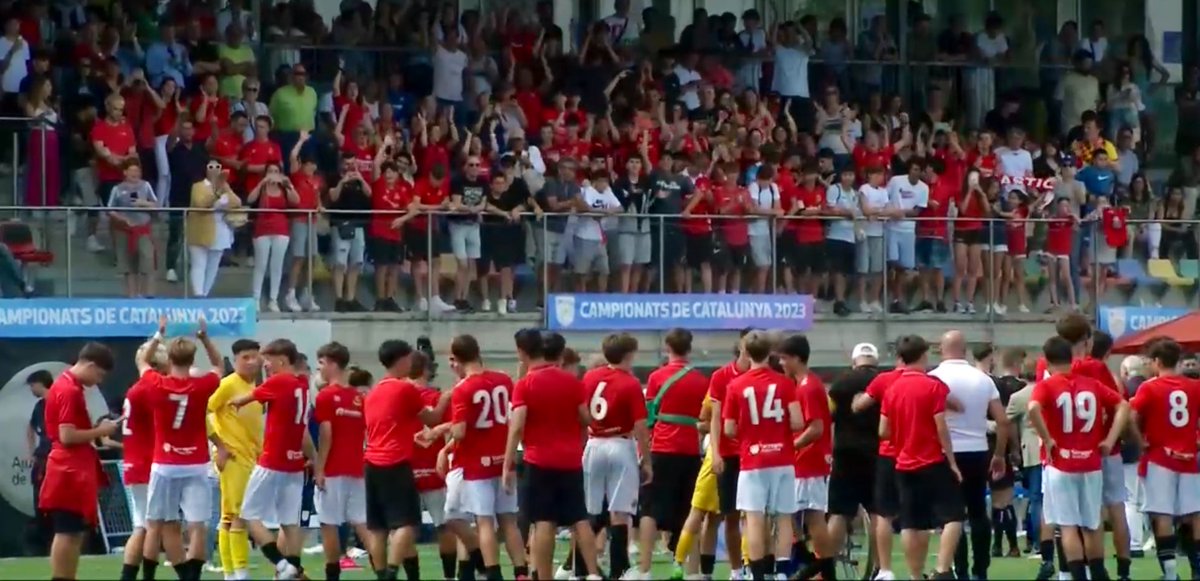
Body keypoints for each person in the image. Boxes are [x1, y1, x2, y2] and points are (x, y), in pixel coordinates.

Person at [425, 334, 528, 580]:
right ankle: (521, 572)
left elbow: (460, 431)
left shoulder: (464, 388)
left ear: (458, 359)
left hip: (477, 463)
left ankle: (492, 572)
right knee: (508, 521)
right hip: (503, 459)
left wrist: (439, 430)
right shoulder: (503, 379)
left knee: (483, 522)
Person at [1029, 336, 1130, 581]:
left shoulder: (1047, 384)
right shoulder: (1091, 384)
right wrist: (1109, 440)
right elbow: (1123, 406)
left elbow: (1033, 408)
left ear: (1048, 361)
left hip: (1061, 463)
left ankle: (1077, 575)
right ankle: (1098, 573)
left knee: (1067, 525)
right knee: (1092, 522)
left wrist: (1048, 438)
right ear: (1072, 358)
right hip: (1091, 462)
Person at [502, 329, 600, 580]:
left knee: (544, 522)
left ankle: (543, 576)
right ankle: (592, 573)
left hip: (539, 460)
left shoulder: (525, 384)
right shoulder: (573, 383)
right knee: (580, 518)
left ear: (523, 353)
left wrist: (508, 463)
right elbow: (585, 418)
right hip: (570, 459)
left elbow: (517, 425)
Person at [141, 317, 223, 581]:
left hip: (165, 462)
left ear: (169, 361)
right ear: (192, 360)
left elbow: (141, 361)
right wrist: (204, 337)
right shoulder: (202, 385)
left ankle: (149, 575)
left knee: (155, 524)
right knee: (197, 525)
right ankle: (192, 577)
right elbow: (219, 365)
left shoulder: (156, 383)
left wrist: (157, 335)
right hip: (196, 461)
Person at [879, 335, 964, 579]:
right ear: (923, 356)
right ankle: (942, 569)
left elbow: (883, 431)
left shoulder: (892, 389)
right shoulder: (932, 385)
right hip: (931, 460)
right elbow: (940, 426)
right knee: (954, 515)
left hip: (904, 462)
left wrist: (901, 436)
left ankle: (915, 575)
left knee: (911, 522)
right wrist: (951, 460)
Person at [722, 330, 804, 580]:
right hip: (782, 458)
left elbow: (728, 429)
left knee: (754, 518)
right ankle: (781, 573)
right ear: (771, 353)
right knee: (783, 516)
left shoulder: (736, 385)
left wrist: (749, 433)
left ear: (745, 352)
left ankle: (758, 574)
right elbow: (798, 422)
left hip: (752, 459)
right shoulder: (784, 383)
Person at [362, 340, 447, 580]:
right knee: (407, 524)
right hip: (395, 462)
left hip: (371, 462)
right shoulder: (405, 389)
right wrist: (446, 398)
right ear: (401, 360)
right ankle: (391, 573)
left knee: (378, 528)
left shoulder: (374, 392)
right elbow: (432, 418)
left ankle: (380, 575)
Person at [929, 330, 1010, 580]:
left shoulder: (933, 378)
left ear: (942, 350)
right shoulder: (983, 379)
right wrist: (999, 454)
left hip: (946, 452)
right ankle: (981, 569)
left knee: (953, 516)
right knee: (977, 512)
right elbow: (1002, 421)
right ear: (964, 350)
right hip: (978, 449)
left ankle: (960, 569)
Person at [229, 339, 312, 580]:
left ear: (282, 360)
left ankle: (281, 564)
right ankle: (294, 568)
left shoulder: (279, 381)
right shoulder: (302, 384)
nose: (264, 365)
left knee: (247, 514)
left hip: (273, 460)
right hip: (295, 462)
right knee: (289, 521)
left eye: (268, 360)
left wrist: (232, 402)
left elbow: (245, 399)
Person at [630, 328, 709, 579]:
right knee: (690, 510)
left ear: (668, 348)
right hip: (689, 449)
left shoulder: (656, 377)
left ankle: (644, 569)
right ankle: (693, 570)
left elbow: (649, 414)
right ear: (690, 348)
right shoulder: (701, 380)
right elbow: (703, 417)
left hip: (662, 448)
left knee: (650, 508)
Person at [39, 342, 118, 581]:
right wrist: (100, 430)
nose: (99, 381)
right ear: (91, 365)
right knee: (67, 532)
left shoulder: (66, 385)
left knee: (72, 533)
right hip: (68, 469)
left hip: (70, 467)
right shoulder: (69, 390)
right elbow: (67, 435)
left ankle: (66, 576)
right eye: (100, 374)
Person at [580, 333, 650, 579]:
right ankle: (619, 569)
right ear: (629, 355)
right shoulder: (630, 382)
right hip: (620, 444)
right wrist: (647, 460)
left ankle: (579, 567)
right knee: (620, 510)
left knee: (590, 510)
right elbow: (641, 425)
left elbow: (581, 411)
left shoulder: (589, 376)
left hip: (594, 443)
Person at [1131, 338, 1200, 581]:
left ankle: (1170, 574)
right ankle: (1197, 568)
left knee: (1162, 515)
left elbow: (1131, 415)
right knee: (1194, 514)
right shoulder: (1195, 387)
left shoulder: (1149, 388)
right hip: (1189, 459)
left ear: (1157, 362)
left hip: (1160, 458)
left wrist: (1140, 441)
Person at [778, 334, 836, 581]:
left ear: (796, 358)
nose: (781, 363)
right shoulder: (801, 385)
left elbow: (816, 428)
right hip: (804, 460)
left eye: (784, 358)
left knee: (813, 516)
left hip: (810, 460)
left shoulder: (808, 387)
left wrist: (792, 446)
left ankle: (823, 568)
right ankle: (811, 562)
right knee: (793, 512)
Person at [312, 342, 370, 581]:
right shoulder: (360, 398)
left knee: (329, 523)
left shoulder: (325, 396)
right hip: (357, 468)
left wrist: (320, 468)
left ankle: (332, 575)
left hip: (334, 469)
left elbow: (326, 434)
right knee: (362, 524)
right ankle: (385, 570)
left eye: (322, 363)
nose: (320, 368)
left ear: (333, 364)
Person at [207, 339, 264, 581]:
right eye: (245, 358)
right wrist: (218, 446)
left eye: (255, 356)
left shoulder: (256, 386)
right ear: (236, 360)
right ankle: (239, 572)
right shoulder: (229, 384)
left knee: (229, 515)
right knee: (237, 514)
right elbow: (204, 410)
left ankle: (230, 574)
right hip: (233, 456)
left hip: (251, 456)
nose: (252, 362)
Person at [827, 342, 884, 574]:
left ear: (854, 361)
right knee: (878, 512)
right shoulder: (885, 382)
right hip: (877, 454)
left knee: (839, 513)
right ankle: (882, 569)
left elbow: (827, 417)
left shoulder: (840, 384)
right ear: (876, 362)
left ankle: (826, 567)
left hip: (845, 453)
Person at [118, 338, 166, 581]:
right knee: (153, 526)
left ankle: (129, 576)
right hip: (148, 462)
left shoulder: (136, 388)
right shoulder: (149, 389)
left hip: (136, 460)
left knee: (143, 525)